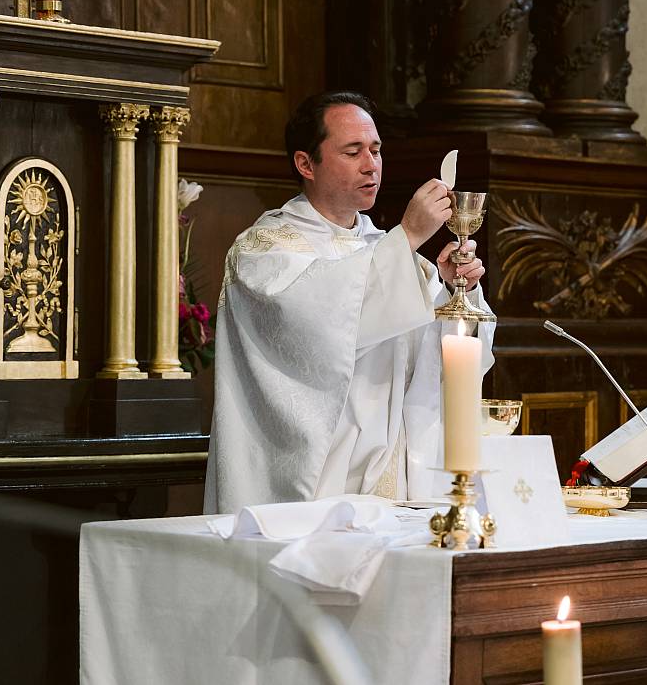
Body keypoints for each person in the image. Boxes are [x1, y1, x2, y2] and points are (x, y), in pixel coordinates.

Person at [203, 91, 495, 515]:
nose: (370, 164)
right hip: (314, 486)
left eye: (375, 150)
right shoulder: (264, 250)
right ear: (306, 164)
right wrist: (409, 236)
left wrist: (454, 291)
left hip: (394, 478)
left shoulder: (391, 253)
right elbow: (322, 327)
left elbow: (463, 360)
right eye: (352, 151)